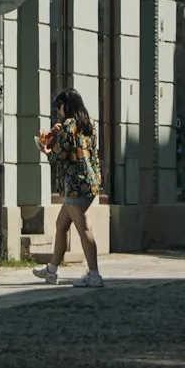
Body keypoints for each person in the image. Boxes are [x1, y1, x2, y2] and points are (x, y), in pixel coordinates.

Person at [37, 88, 103, 287]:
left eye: (59, 106)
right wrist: (59, 134)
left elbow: (60, 155)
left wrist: (46, 149)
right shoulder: (88, 124)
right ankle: (52, 270)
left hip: (75, 185)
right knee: (61, 225)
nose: (58, 110)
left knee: (84, 230)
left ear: (67, 105)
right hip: (89, 182)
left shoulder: (69, 125)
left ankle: (94, 274)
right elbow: (77, 148)